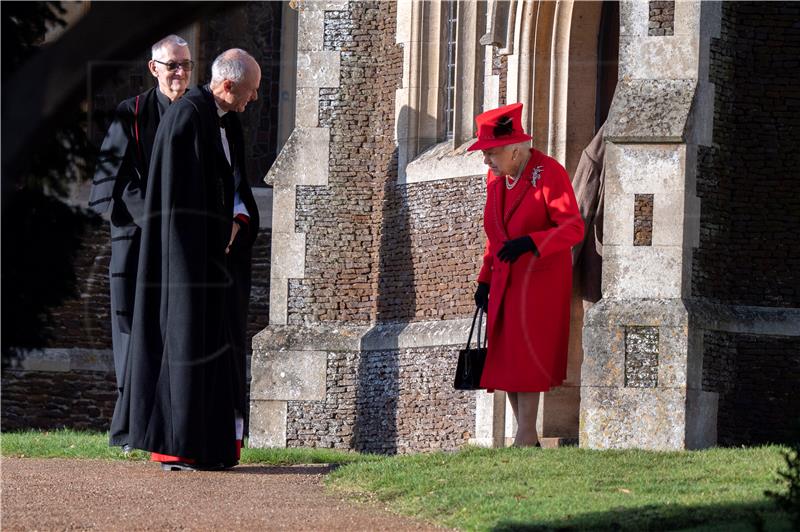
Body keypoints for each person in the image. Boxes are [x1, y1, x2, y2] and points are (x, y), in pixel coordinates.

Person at [109, 48, 261, 470]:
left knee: (217, 352)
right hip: (186, 264)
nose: (253, 100)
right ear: (228, 85)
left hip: (214, 262)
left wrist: (240, 219)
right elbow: (179, 203)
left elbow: (231, 185)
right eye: (250, 92)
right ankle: (178, 446)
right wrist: (218, 231)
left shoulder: (225, 121)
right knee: (185, 348)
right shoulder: (187, 117)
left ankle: (212, 447)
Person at [89, 35, 193, 446]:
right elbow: (111, 185)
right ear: (154, 69)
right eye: (172, 66)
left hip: (184, 248)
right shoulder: (129, 114)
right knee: (134, 336)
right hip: (136, 245)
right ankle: (131, 428)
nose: (180, 73)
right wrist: (157, 220)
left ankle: (172, 430)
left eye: (186, 64)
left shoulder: (198, 114)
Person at [469, 102, 584, 447]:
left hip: (539, 281)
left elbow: (573, 228)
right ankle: (526, 435)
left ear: (516, 151)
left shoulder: (549, 173)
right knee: (506, 360)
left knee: (527, 357)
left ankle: (525, 435)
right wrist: (484, 279)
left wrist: (531, 243)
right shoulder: (497, 179)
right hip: (505, 280)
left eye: (491, 153)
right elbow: (495, 236)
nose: (486, 161)